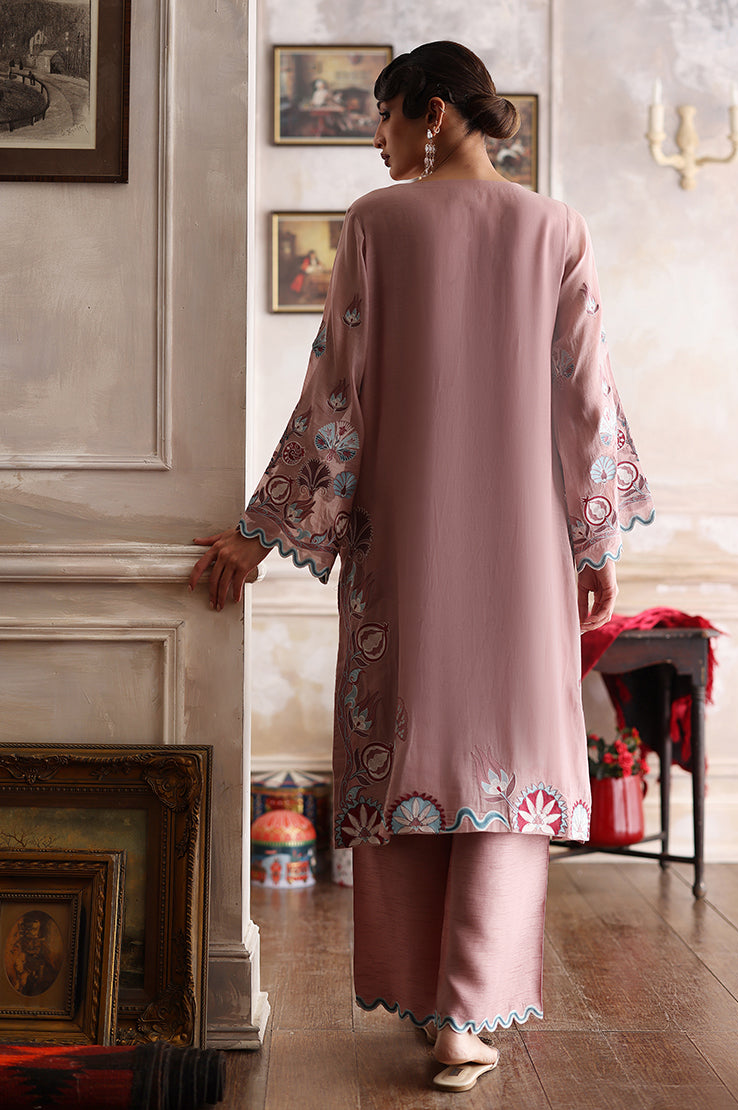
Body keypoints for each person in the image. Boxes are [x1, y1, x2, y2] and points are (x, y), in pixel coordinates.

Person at [189, 41, 654, 1094]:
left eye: (386, 115)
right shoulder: (559, 228)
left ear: (433, 112)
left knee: (413, 756)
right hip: (528, 557)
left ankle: (427, 997)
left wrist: (261, 534)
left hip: (405, 547)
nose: (379, 138)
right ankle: (464, 1017)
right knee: (506, 768)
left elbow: (337, 396)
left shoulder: (377, 223)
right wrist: (596, 543)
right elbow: (587, 404)